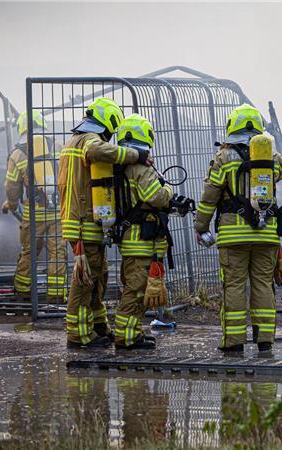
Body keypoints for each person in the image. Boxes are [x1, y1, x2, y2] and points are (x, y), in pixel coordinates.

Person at [194, 104, 282, 353]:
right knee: (263, 284)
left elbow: (210, 196)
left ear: (231, 128)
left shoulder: (223, 158)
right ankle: (265, 341)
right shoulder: (269, 156)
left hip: (233, 235)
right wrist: (266, 149)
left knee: (234, 285)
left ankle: (234, 342)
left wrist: (201, 226)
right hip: (266, 233)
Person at [58, 97, 152, 348]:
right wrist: (137, 155)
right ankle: (78, 335)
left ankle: (99, 326)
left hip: (80, 222)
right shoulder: (89, 141)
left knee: (97, 277)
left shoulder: (73, 141)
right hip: (83, 224)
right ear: (108, 122)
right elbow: (99, 151)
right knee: (84, 282)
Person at [113, 114, 174, 350]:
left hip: (130, 237)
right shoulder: (141, 167)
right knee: (136, 291)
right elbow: (155, 197)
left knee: (134, 289)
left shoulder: (120, 165)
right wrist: (168, 191)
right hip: (142, 240)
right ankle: (127, 338)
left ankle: (133, 333)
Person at [2, 111, 67, 303]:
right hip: (58, 210)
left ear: (21, 128)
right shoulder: (58, 145)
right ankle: (56, 296)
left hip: (34, 213)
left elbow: (12, 187)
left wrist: (11, 204)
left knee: (30, 251)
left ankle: (23, 293)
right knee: (57, 252)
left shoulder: (17, 153)